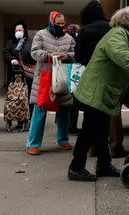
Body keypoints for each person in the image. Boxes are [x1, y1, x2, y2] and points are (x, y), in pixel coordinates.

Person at [68, 7, 129, 181]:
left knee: (102, 131)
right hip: (96, 91)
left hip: (101, 91)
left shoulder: (121, 35)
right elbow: (121, 55)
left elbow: (123, 64)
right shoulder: (118, 35)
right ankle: (75, 167)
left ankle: (104, 165)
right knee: (89, 130)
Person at [26, 12, 76, 156]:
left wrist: (66, 56)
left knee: (64, 110)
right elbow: (34, 53)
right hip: (44, 78)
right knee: (40, 109)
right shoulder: (41, 34)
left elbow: (74, 54)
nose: (61, 26)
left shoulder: (69, 38)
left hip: (62, 77)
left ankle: (62, 139)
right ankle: (33, 143)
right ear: (51, 22)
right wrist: (48, 55)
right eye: (58, 23)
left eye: (63, 24)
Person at [3, 21, 33, 131]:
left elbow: (34, 55)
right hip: (15, 76)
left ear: (24, 31)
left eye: (20, 30)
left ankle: (28, 120)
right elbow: (5, 53)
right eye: (16, 30)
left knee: (28, 98)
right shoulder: (11, 42)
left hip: (28, 76)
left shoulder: (30, 42)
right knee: (16, 98)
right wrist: (12, 59)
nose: (18, 32)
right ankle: (19, 120)